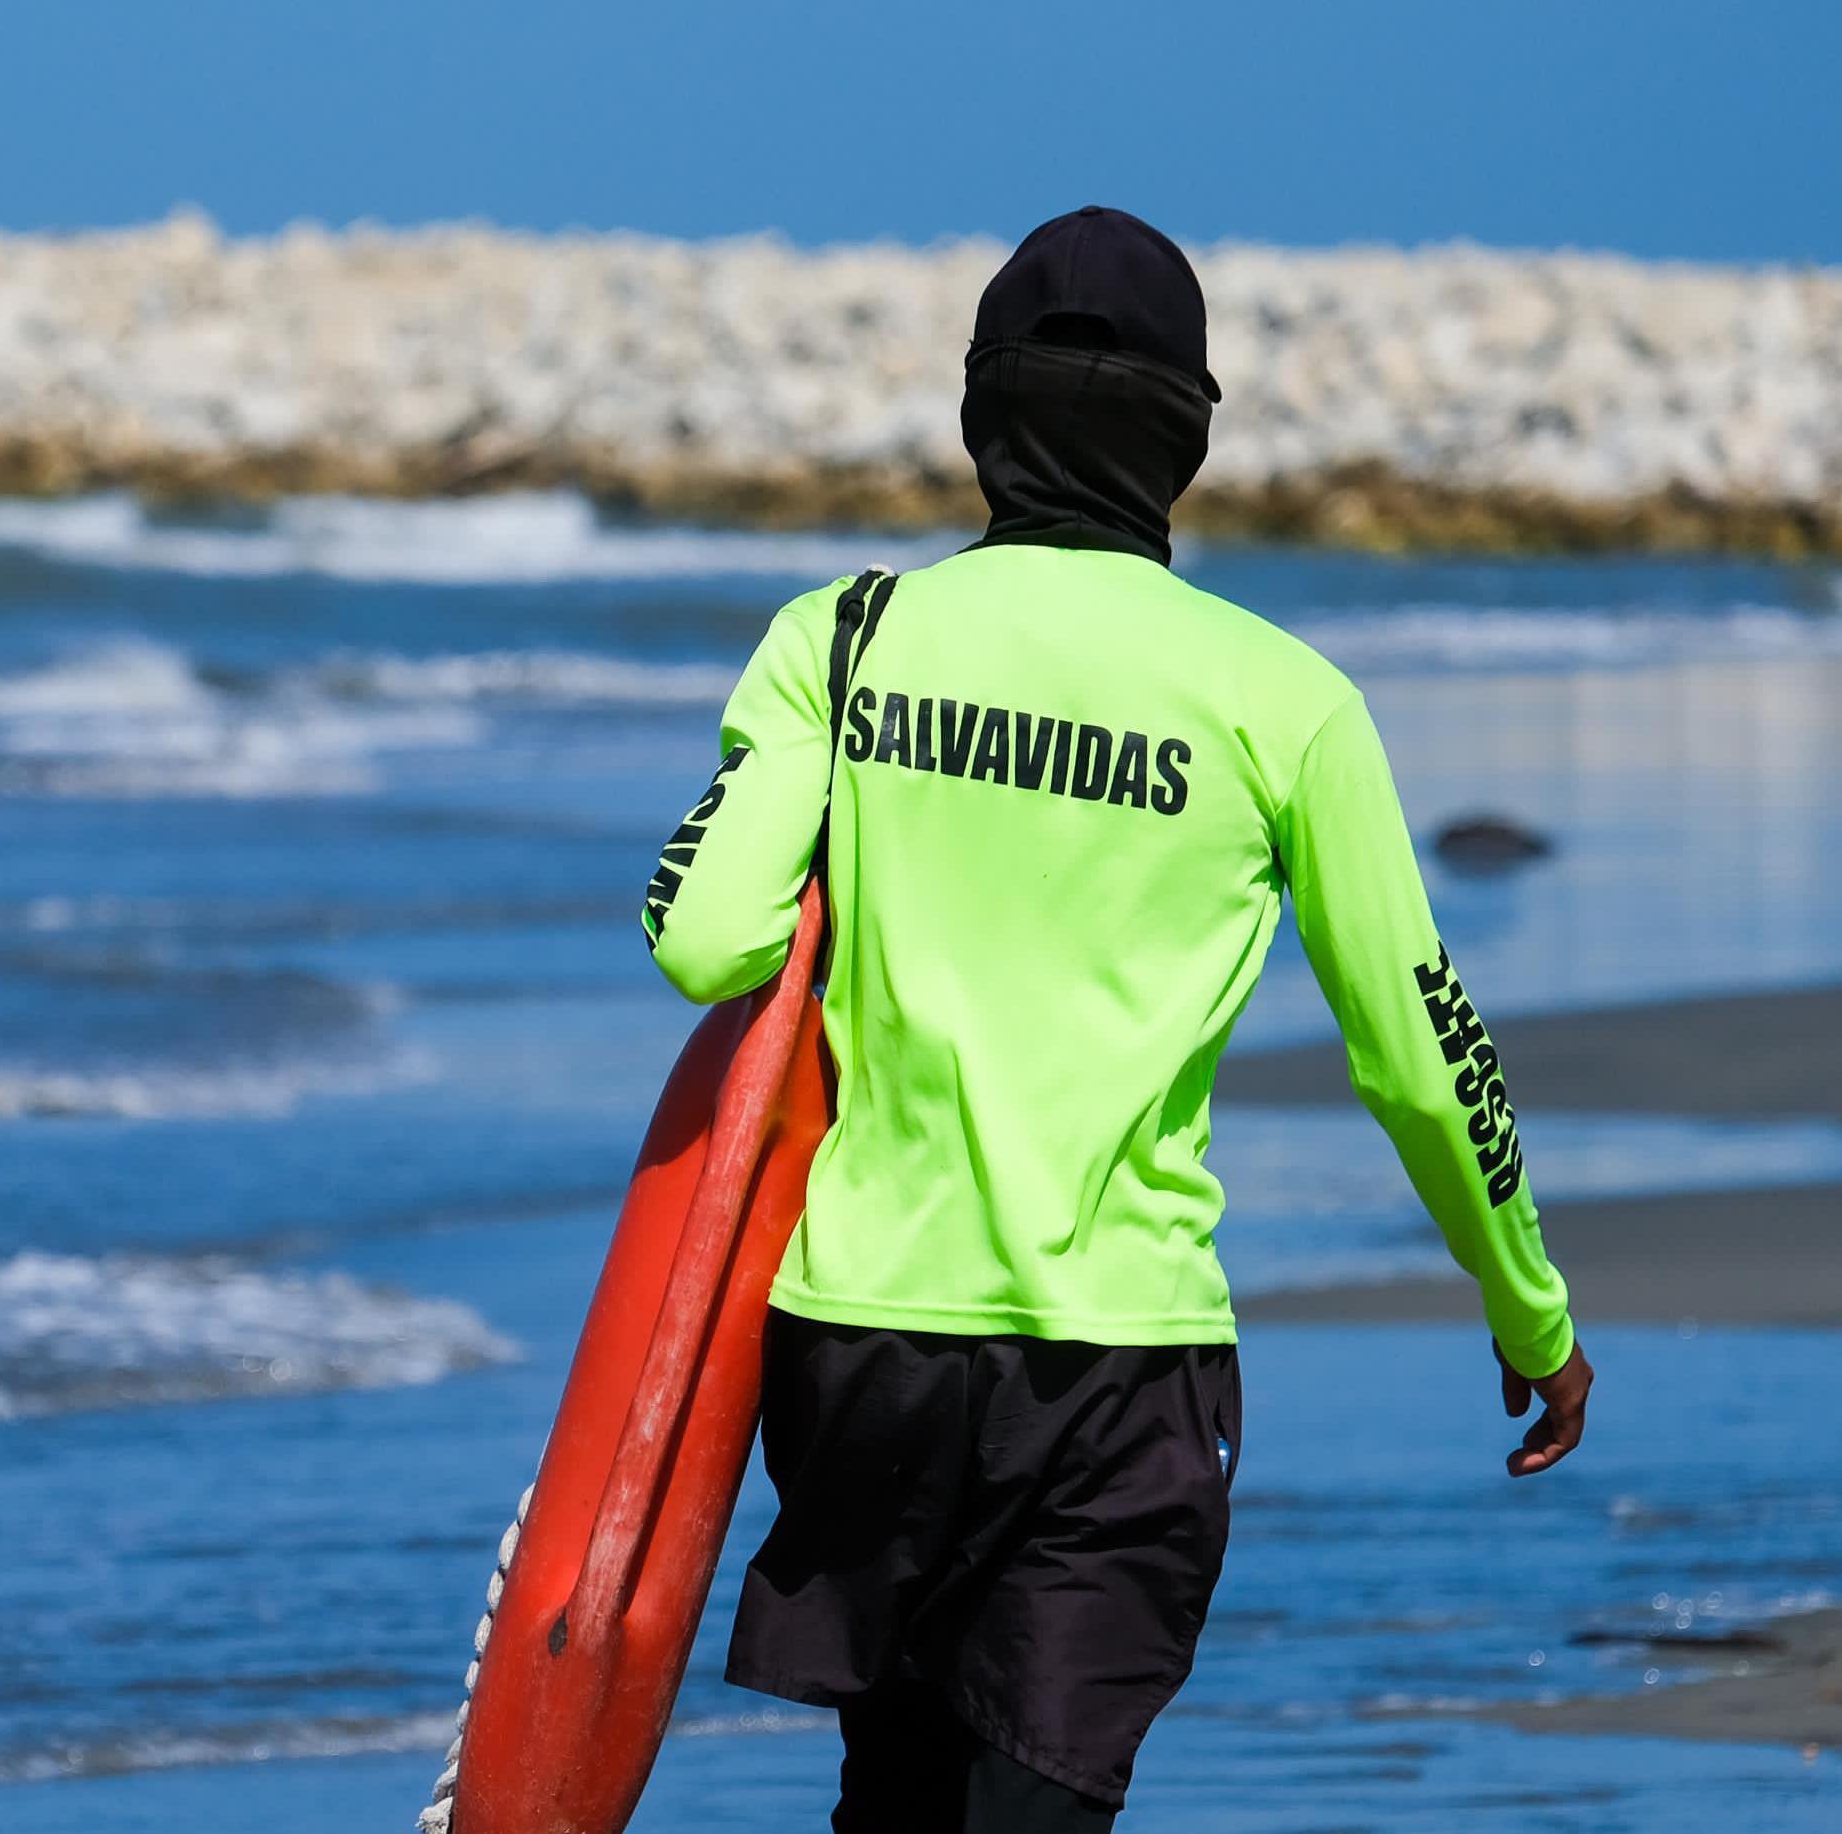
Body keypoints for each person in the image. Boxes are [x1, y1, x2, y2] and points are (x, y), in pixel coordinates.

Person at [639, 206, 1595, 1833]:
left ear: (978, 413)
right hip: (1116, 1357)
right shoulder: (1282, 700)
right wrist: (1531, 1313)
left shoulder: (844, 640)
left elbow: (706, 935)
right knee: (1035, 1803)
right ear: (1187, 443)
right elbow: (1422, 1055)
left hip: (862, 1342)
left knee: (898, 1793)